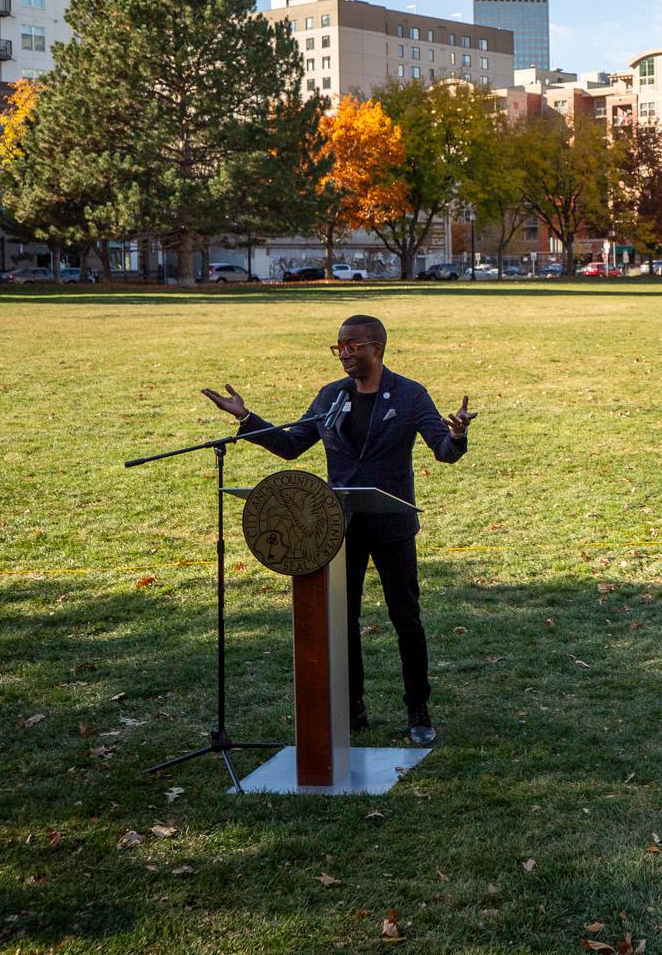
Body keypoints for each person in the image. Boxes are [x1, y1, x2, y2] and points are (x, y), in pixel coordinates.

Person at [201, 314, 475, 747]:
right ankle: (352, 706)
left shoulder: (409, 395)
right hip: (339, 524)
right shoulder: (332, 396)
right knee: (342, 619)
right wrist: (247, 418)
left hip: (391, 523)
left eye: (352, 346)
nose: (344, 354)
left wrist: (456, 435)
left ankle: (418, 708)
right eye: (339, 347)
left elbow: (443, 451)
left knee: (406, 618)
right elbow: (292, 445)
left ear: (376, 348)